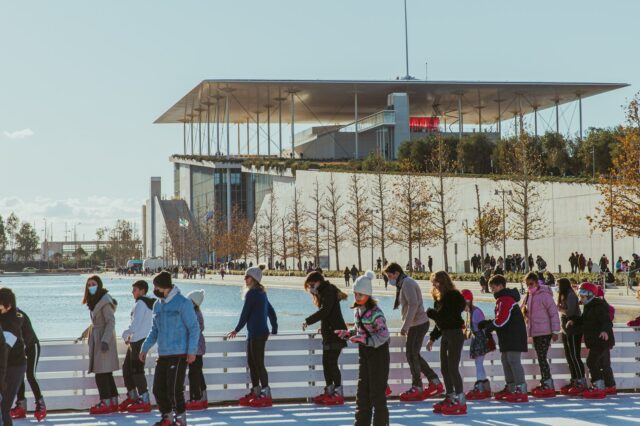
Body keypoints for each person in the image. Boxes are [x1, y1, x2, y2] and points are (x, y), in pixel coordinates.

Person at [140, 271, 200, 426]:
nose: (155, 290)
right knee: (158, 389)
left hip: (179, 353)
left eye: (156, 287)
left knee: (174, 389)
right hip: (164, 354)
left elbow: (194, 328)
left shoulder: (183, 303)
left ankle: (180, 419)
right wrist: (144, 348)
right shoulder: (157, 305)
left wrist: (192, 351)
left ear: (165, 287)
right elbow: (155, 330)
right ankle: (167, 417)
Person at [335, 271, 390, 426]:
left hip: (378, 354)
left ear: (368, 294)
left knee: (376, 393)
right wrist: (348, 334)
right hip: (364, 354)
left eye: (361, 294)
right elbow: (361, 332)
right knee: (362, 392)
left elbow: (383, 334)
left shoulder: (376, 313)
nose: (357, 297)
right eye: (355, 294)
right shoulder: (358, 310)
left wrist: (365, 340)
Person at [383, 262, 442, 402]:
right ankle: (433, 381)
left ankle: (418, 386)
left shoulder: (407, 283)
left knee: (411, 354)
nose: (389, 279)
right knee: (412, 354)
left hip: (418, 323)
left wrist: (405, 326)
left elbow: (413, 304)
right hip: (416, 324)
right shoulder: (404, 283)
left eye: (390, 276)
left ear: (396, 273)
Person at [226, 265, 278, 408]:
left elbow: (245, 314)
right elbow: (271, 311)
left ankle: (266, 393)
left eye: (247, 277)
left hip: (258, 333)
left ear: (254, 279)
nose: (245, 279)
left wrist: (236, 330)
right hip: (255, 333)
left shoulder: (253, 294)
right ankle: (256, 391)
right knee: (252, 363)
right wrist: (274, 327)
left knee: (258, 364)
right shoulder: (261, 293)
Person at [478, 274, 528, 403]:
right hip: (507, 335)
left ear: (501, 286)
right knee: (506, 360)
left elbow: (502, 320)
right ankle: (511, 387)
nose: (492, 290)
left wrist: (489, 327)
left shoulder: (505, 299)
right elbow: (501, 319)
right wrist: (489, 323)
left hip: (514, 335)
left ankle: (520, 388)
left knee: (513, 360)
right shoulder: (502, 299)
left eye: (494, 287)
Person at [302, 271, 348, 405]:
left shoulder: (328, 291)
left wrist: (308, 321)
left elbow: (325, 311)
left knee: (331, 363)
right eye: (309, 285)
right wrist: (322, 327)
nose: (311, 288)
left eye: (312, 284)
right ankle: (330, 391)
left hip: (336, 334)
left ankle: (338, 392)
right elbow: (328, 315)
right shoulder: (324, 292)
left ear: (318, 281)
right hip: (329, 333)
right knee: (326, 363)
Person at [426, 271, 467, 415]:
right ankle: (450, 395)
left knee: (452, 367)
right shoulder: (440, 298)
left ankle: (460, 399)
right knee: (445, 367)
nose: (433, 285)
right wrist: (432, 337)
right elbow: (440, 322)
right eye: (432, 282)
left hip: (455, 334)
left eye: (435, 282)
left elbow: (445, 316)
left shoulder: (453, 296)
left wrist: (430, 313)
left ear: (442, 282)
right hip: (445, 334)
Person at [566, 282, 615, 399]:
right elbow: (584, 320)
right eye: (580, 296)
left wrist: (604, 331)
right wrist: (573, 320)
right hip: (595, 340)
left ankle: (598, 386)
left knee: (591, 362)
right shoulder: (589, 306)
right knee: (601, 363)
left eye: (583, 296)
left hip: (601, 340)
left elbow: (606, 321)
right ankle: (609, 386)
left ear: (590, 295)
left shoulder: (598, 305)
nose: (581, 299)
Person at [82, 276, 120, 415]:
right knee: (106, 372)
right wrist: (87, 332)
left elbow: (110, 322)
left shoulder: (104, 301)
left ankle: (105, 401)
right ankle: (113, 401)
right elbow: (96, 322)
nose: (91, 286)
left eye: (93, 284)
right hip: (98, 337)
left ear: (99, 285)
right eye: (89, 284)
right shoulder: (95, 301)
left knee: (101, 373)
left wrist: (105, 340)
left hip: (104, 339)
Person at [521, 272, 560, 398]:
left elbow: (554, 313)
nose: (529, 286)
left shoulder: (545, 295)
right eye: (527, 284)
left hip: (545, 331)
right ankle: (545, 381)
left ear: (537, 283)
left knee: (542, 358)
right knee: (540, 357)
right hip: (536, 331)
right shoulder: (529, 295)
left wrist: (555, 331)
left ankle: (548, 383)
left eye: (531, 284)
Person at [119, 280, 154, 413]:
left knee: (136, 370)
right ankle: (133, 395)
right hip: (138, 340)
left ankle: (144, 399)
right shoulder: (149, 303)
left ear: (142, 290)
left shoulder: (141, 303)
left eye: (134, 290)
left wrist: (125, 334)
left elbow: (136, 324)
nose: (132, 292)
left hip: (138, 341)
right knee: (127, 368)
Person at [10, 308, 45, 421]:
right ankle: (21, 405)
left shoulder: (17, 314)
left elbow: (22, 333)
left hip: (31, 346)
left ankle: (41, 405)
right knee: (18, 374)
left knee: (30, 375)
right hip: (19, 349)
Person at [0, 288, 27, 426]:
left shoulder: (13, 324)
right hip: (4, 367)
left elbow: (4, 350)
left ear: (8, 306)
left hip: (14, 367)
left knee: (3, 407)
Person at [461, 290, 493, 401]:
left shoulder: (476, 312)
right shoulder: (470, 312)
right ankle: (484, 387)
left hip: (480, 339)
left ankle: (480, 387)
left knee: (479, 363)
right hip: (478, 339)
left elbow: (483, 327)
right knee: (478, 363)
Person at [557, 278, 587, 395]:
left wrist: (560, 309)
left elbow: (570, 312)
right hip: (566, 330)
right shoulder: (564, 295)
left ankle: (581, 381)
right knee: (569, 356)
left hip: (574, 328)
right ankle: (574, 380)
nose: (557, 287)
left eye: (558, 285)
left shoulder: (570, 295)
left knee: (575, 356)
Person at [186, 290, 208, 410]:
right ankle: (202, 397)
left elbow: (191, 330)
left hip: (195, 348)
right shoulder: (197, 312)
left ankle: (196, 398)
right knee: (198, 372)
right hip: (198, 347)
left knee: (194, 373)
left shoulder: (193, 314)